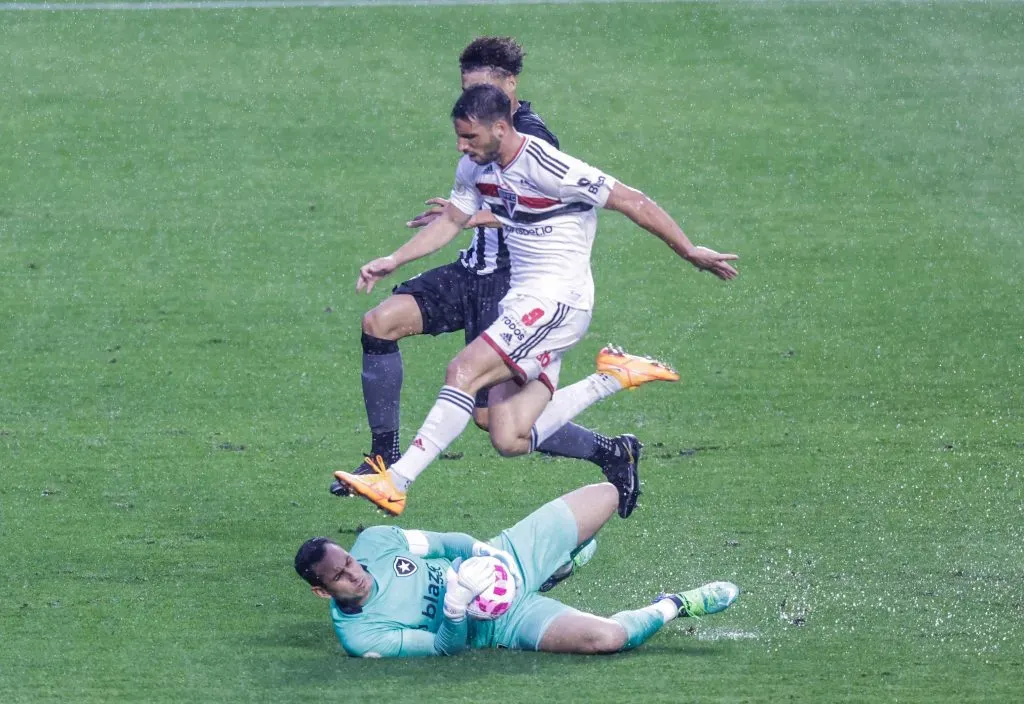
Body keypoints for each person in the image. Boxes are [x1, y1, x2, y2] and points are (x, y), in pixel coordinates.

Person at [335, 84, 739, 517]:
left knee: (463, 370)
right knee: (507, 435)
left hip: (558, 301)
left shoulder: (548, 165)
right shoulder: (474, 167)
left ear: (500, 128)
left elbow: (631, 200)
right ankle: (612, 377)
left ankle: (396, 481)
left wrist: (689, 251)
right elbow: (452, 220)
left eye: (469, 136)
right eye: (458, 136)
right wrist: (394, 260)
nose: (461, 146)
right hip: (523, 301)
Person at [341, 36, 644, 514]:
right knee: (380, 322)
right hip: (471, 269)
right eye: (466, 89)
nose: (473, 99)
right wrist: (403, 253)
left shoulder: (531, 140)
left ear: (510, 85)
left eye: (483, 88)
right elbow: (465, 207)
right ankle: (384, 459)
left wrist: (472, 216)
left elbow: (538, 213)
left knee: (494, 422)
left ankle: (609, 450)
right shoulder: (475, 136)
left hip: (509, 283)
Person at [294, 481, 740, 657]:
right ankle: (675, 604)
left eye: (348, 560)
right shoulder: (363, 637)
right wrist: (455, 607)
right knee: (608, 639)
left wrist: (485, 553)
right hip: (500, 624)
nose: (355, 572)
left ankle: (550, 570)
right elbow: (445, 650)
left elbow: (448, 543)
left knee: (607, 495)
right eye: (340, 576)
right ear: (322, 591)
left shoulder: (376, 541)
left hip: (503, 561)